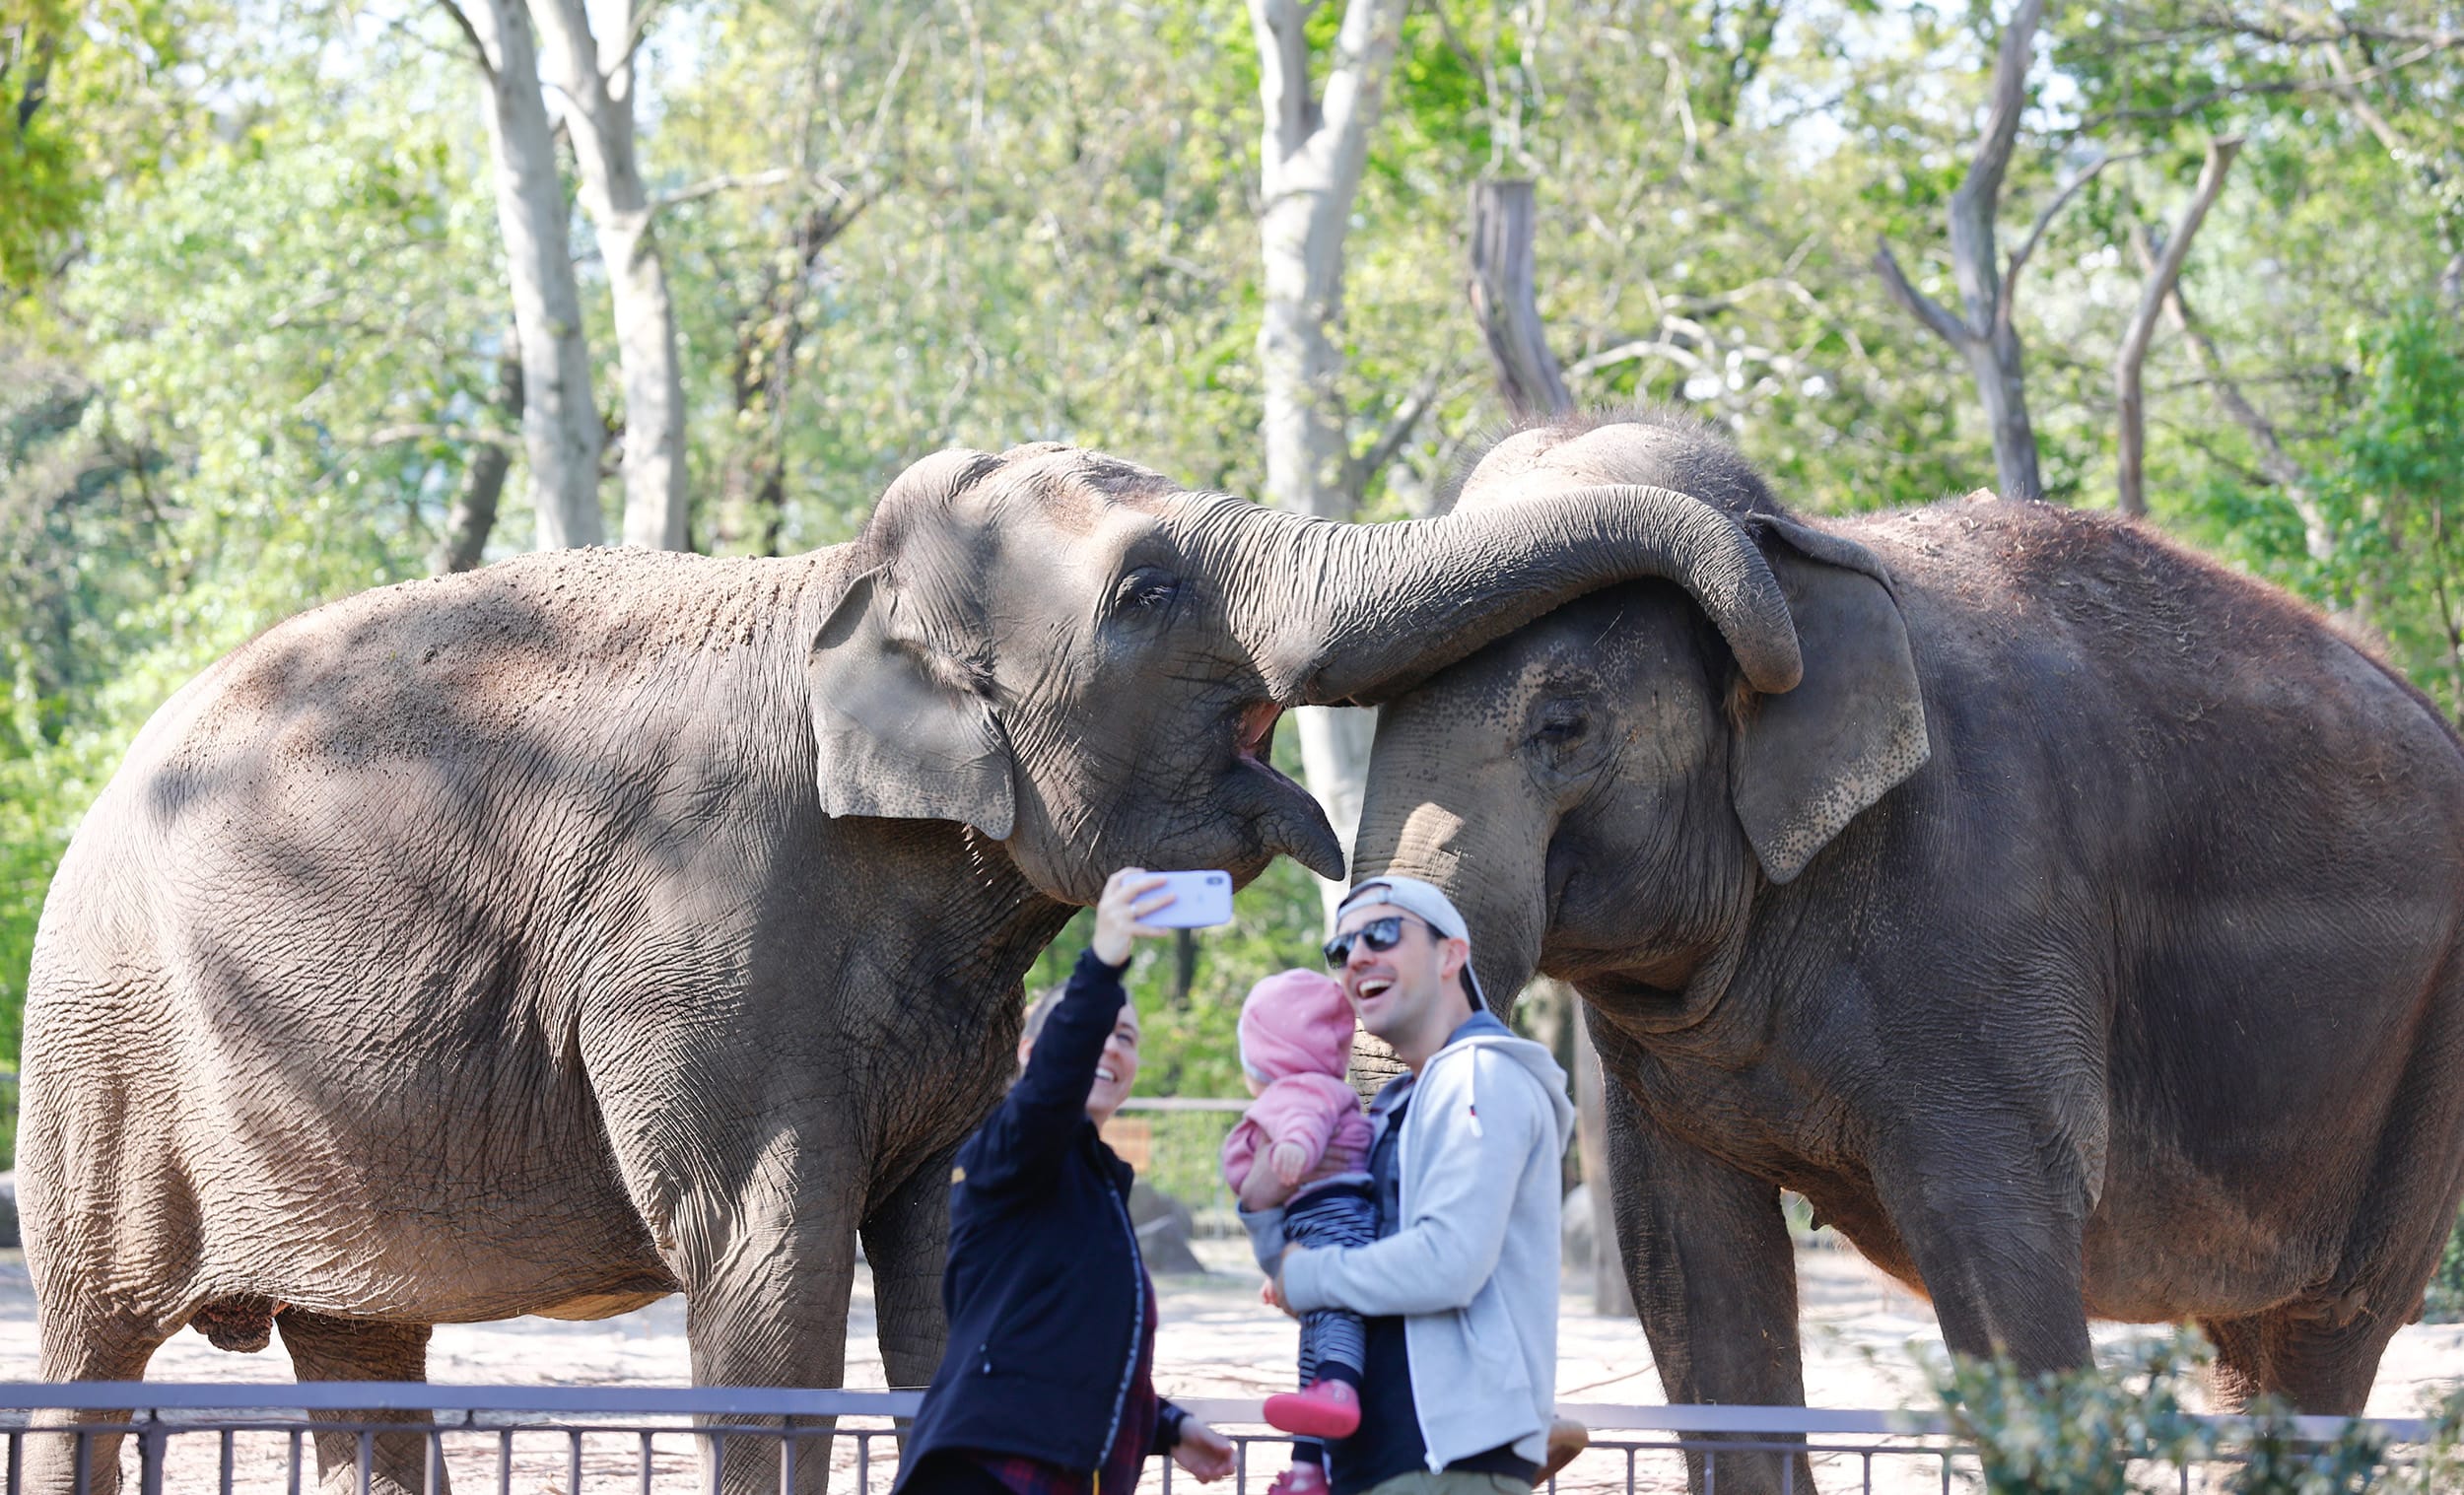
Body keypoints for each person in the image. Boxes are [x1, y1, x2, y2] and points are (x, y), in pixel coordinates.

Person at [894, 868, 1237, 1495]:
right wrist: (1104, 962)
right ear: (1030, 1048)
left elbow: (1066, 1354)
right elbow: (1053, 1088)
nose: (1109, 1047)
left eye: (1127, 1037)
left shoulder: (1098, 1187)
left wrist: (1169, 1425)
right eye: (1094, 1030)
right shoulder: (1008, 1150)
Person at [1248, 875, 1575, 1495]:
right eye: (1340, 950)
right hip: (1387, 1460)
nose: (1358, 957)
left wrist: (1308, 1276)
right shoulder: (1397, 1104)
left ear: (1453, 953)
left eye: (1383, 932)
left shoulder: (1480, 1076)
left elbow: (1448, 1261)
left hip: (1446, 1462)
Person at [1220, 970, 1379, 1492]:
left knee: (1334, 1318)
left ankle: (1337, 1392)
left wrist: (1294, 1148)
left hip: (1333, 1215)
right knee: (1313, 1349)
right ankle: (1309, 1466)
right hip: (1317, 1224)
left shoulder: (1302, 1090)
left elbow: (1304, 1122)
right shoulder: (1314, 1086)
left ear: (1271, 1055)